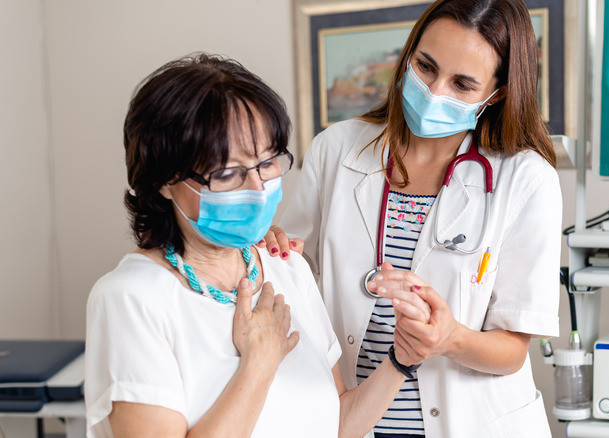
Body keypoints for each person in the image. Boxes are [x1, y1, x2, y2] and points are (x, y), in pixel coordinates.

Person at [264, 1, 562, 437]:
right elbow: (292, 272)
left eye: (462, 84)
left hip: (473, 423)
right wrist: (273, 246)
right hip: (354, 417)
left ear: (495, 95)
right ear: (407, 56)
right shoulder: (337, 149)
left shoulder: (526, 179)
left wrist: (451, 338)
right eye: (425, 66)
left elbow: (512, 349)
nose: (434, 91)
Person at [85, 53, 421, 438]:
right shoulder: (132, 298)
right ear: (162, 179)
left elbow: (338, 424)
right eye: (226, 173)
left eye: (267, 163)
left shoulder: (286, 267)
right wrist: (259, 364)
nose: (258, 189)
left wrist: (402, 360)